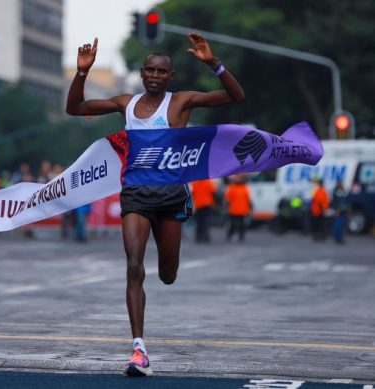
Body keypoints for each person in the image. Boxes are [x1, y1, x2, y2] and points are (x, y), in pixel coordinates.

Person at [66, 33, 244, 376]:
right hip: (135, 194)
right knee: (134, 267)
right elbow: (74, 108)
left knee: (167, 274)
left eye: (161, 72)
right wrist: (82, 73)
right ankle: (139, 349)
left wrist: (213, 64)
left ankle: (165, 275)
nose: (154, 76)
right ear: (141, 73)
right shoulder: (126, 104)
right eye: (149, 70)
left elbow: (236, 96)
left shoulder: (181, 102)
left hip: (172, 197)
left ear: (170, 77)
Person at [224, 174, 251, 242]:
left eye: (240, 178)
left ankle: (241, 236)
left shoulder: (245, 187)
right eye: (238, 178)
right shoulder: (232, 187)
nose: (239, 179)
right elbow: (227, 198)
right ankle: (230, 235)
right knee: (233, 224)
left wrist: (250, 209)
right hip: (234, 209)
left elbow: (248, 199)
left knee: (242, 224)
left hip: (243, 209)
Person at [190, 178, 218, 243]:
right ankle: (205, 236)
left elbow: (192, 194)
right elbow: (214, 193)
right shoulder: (209, 182)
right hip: (207, 204)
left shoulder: (194, 183)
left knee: (199, 221)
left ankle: (198, 236)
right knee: (206, 221)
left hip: (198, 204)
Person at [331, 180, 349, 244]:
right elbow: (334, 201)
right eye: (341, 183)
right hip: (338, 210)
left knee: (342, 224)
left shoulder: (344, 190)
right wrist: (336, 209)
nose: (342, 184)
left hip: (344, 210)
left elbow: (347, 200)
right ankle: (336, 237)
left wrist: (348, 209)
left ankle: (340, 237)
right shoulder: (336, 190)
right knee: (338, 223)